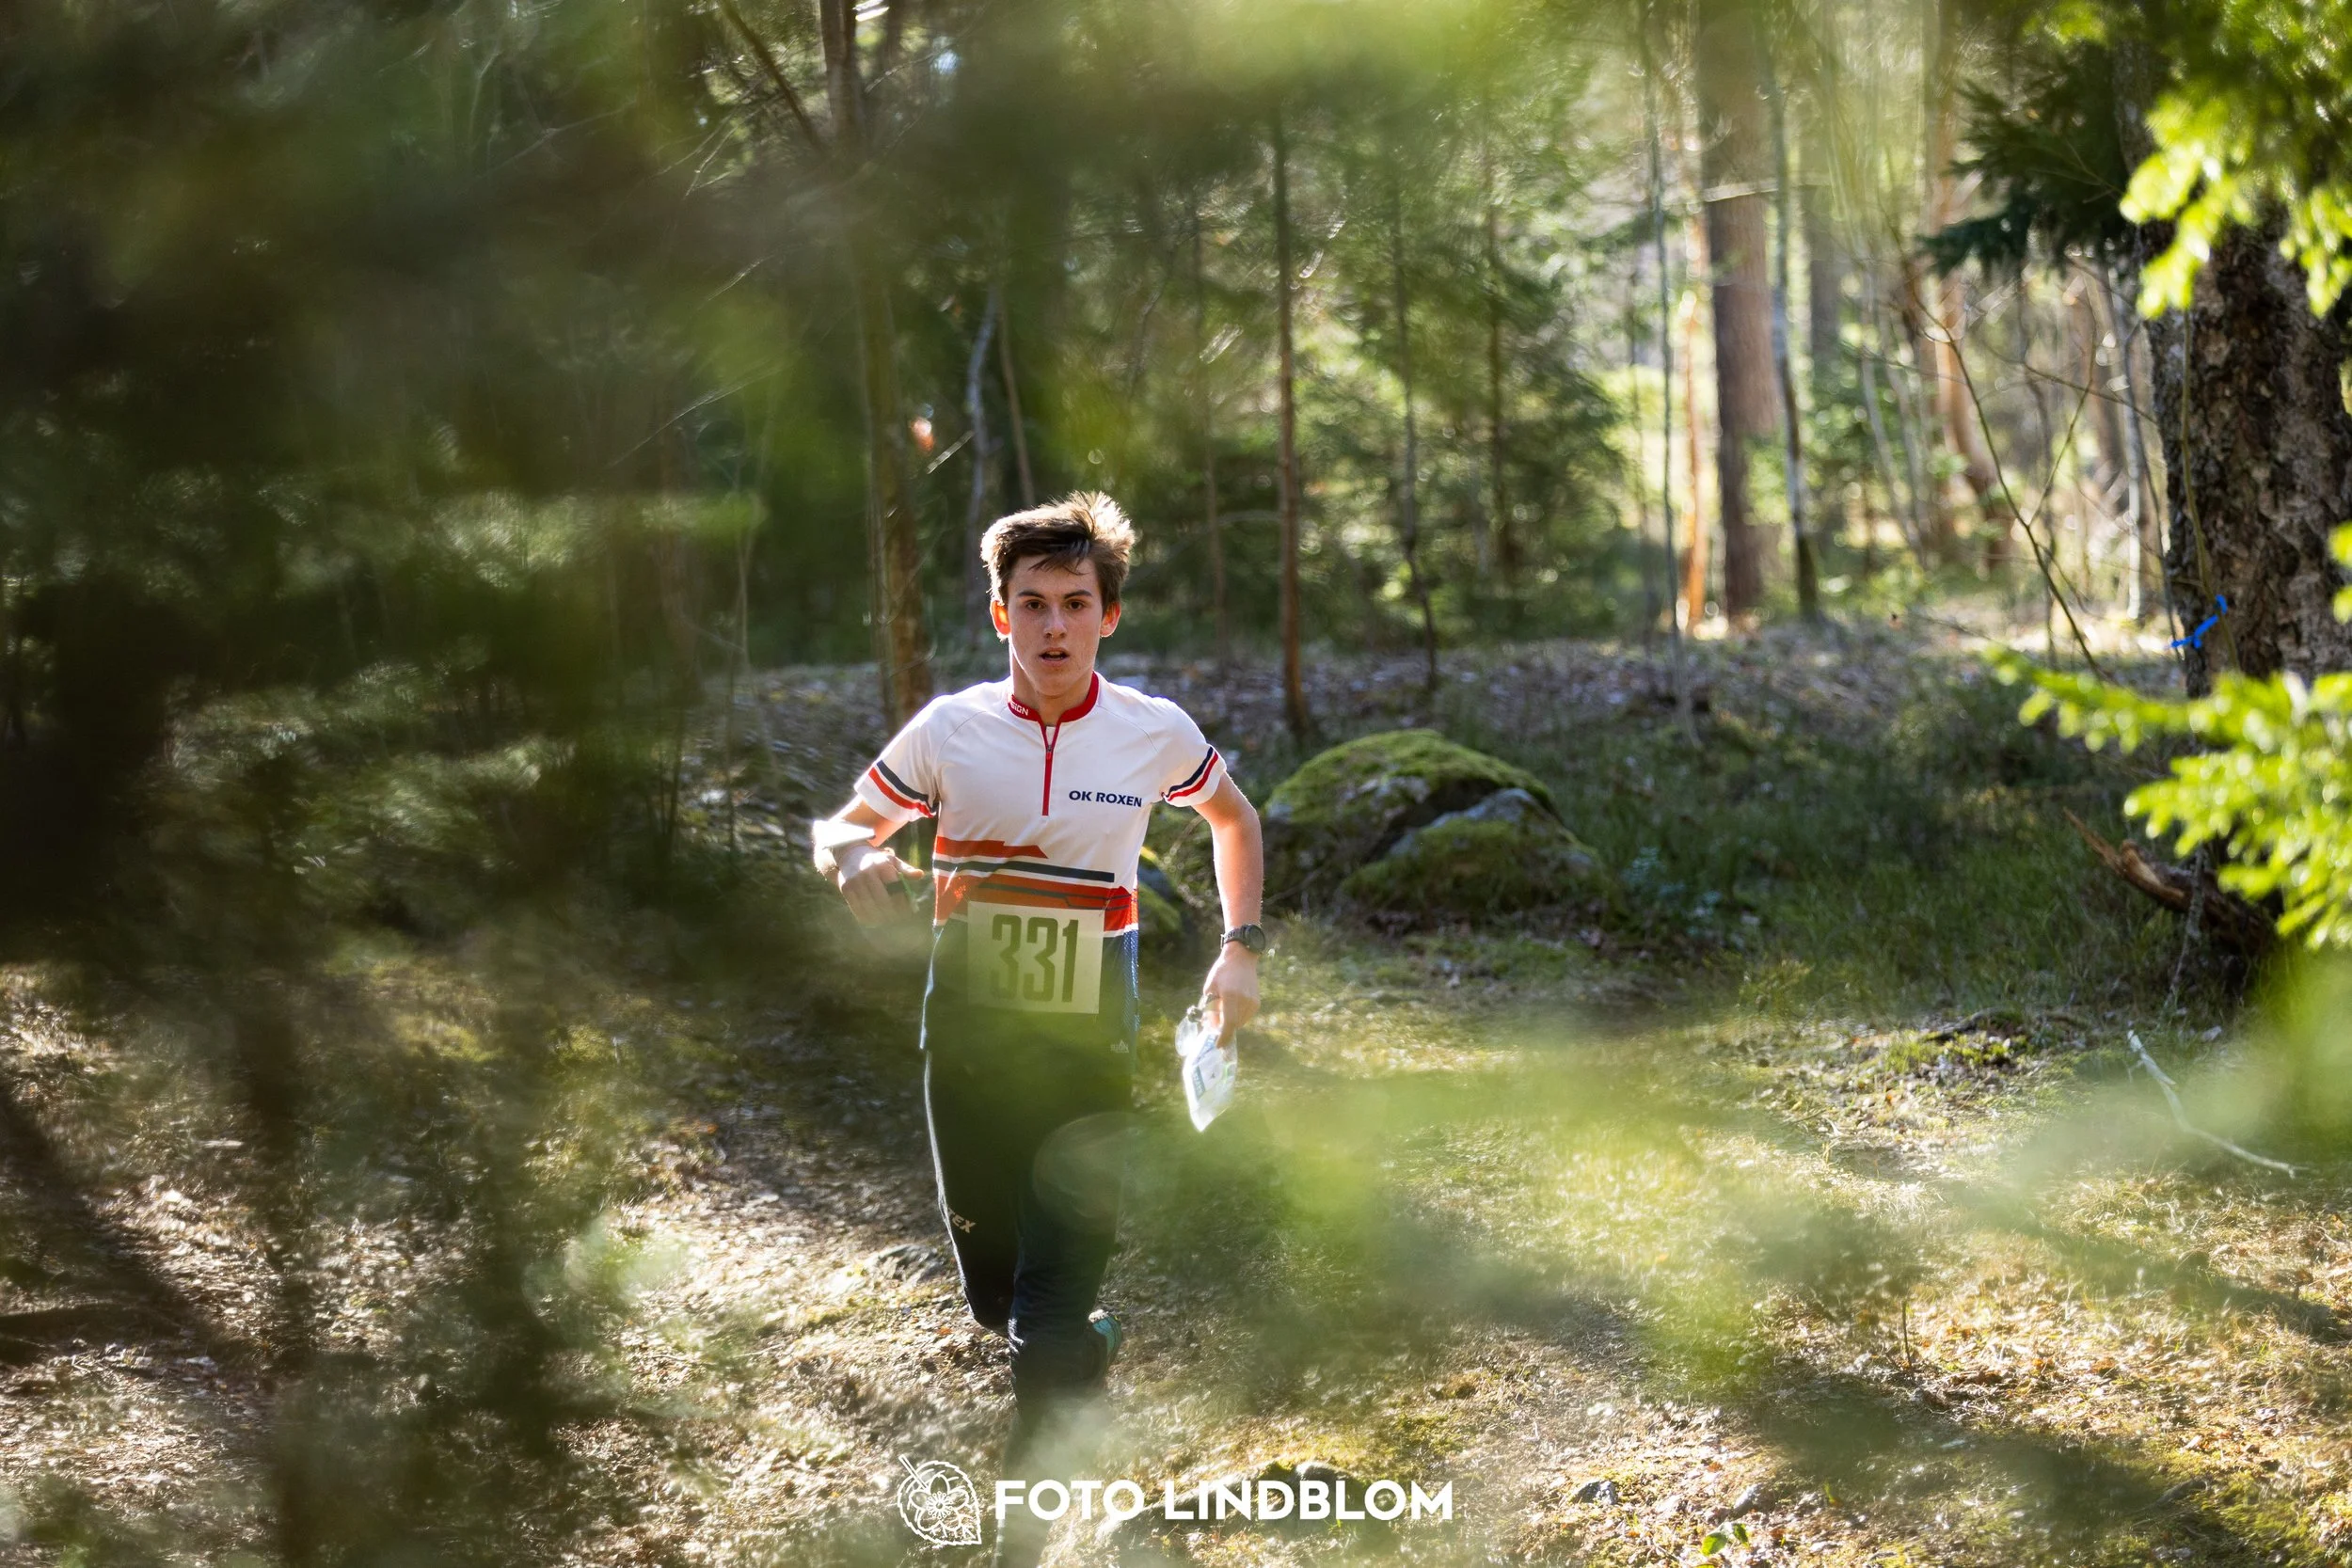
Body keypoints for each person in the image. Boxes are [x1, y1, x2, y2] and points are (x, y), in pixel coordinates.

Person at [811, 493, 1266, 1567]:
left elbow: (1233, 816)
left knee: (1042, 1323)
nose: (1052, 627)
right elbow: (844, 820)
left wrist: (1240, 943)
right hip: (965, 1046)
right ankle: (1085, 1346)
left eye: (1074, 603)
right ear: (999, 614)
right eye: (1031, 605)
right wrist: (853, 856)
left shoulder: (1153, 730)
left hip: (1087, 1052)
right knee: (994, 1297)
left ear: (1108, 615)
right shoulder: (950, 730)